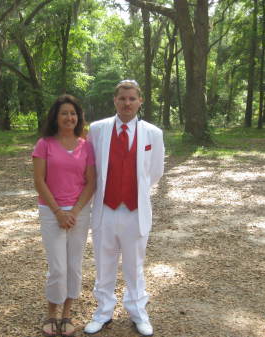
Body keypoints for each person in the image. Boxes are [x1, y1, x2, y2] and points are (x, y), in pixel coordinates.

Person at [84, 80, 165, 336]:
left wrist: (135, 191)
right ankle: (103, 311)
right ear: (115, 101)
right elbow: (91, 167)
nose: (127, 103)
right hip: (105, 208)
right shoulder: (97, 129)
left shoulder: (153, 133)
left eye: (132, 98)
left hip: (134, 209)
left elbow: (154, 172)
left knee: (134, 265)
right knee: (104, 263)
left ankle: (138, 312)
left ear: (140, 101)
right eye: (122, 98)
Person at [32, 94, 96, 337]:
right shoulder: (44, 144)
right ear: (56, 117)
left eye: (73, 113)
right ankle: (51, 314)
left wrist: (75, 211)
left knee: (73, 265)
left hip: (79, 212)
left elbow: (91, 182)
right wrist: (59, 212)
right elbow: (39, 181)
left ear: (78, 117)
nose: (69, 117)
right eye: (64, 113)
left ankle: (67, 314)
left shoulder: (86, 145)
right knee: (57, 267)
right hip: (51, 212)